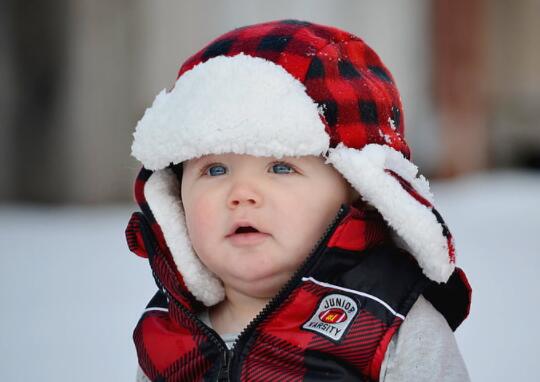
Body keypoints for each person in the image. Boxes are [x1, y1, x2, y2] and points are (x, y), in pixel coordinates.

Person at [125, 19, 472, 381]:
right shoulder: (169, 333)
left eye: (280, 167)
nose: (242, 194)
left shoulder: (389, 326)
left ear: (355, 189)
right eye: (215, 170)